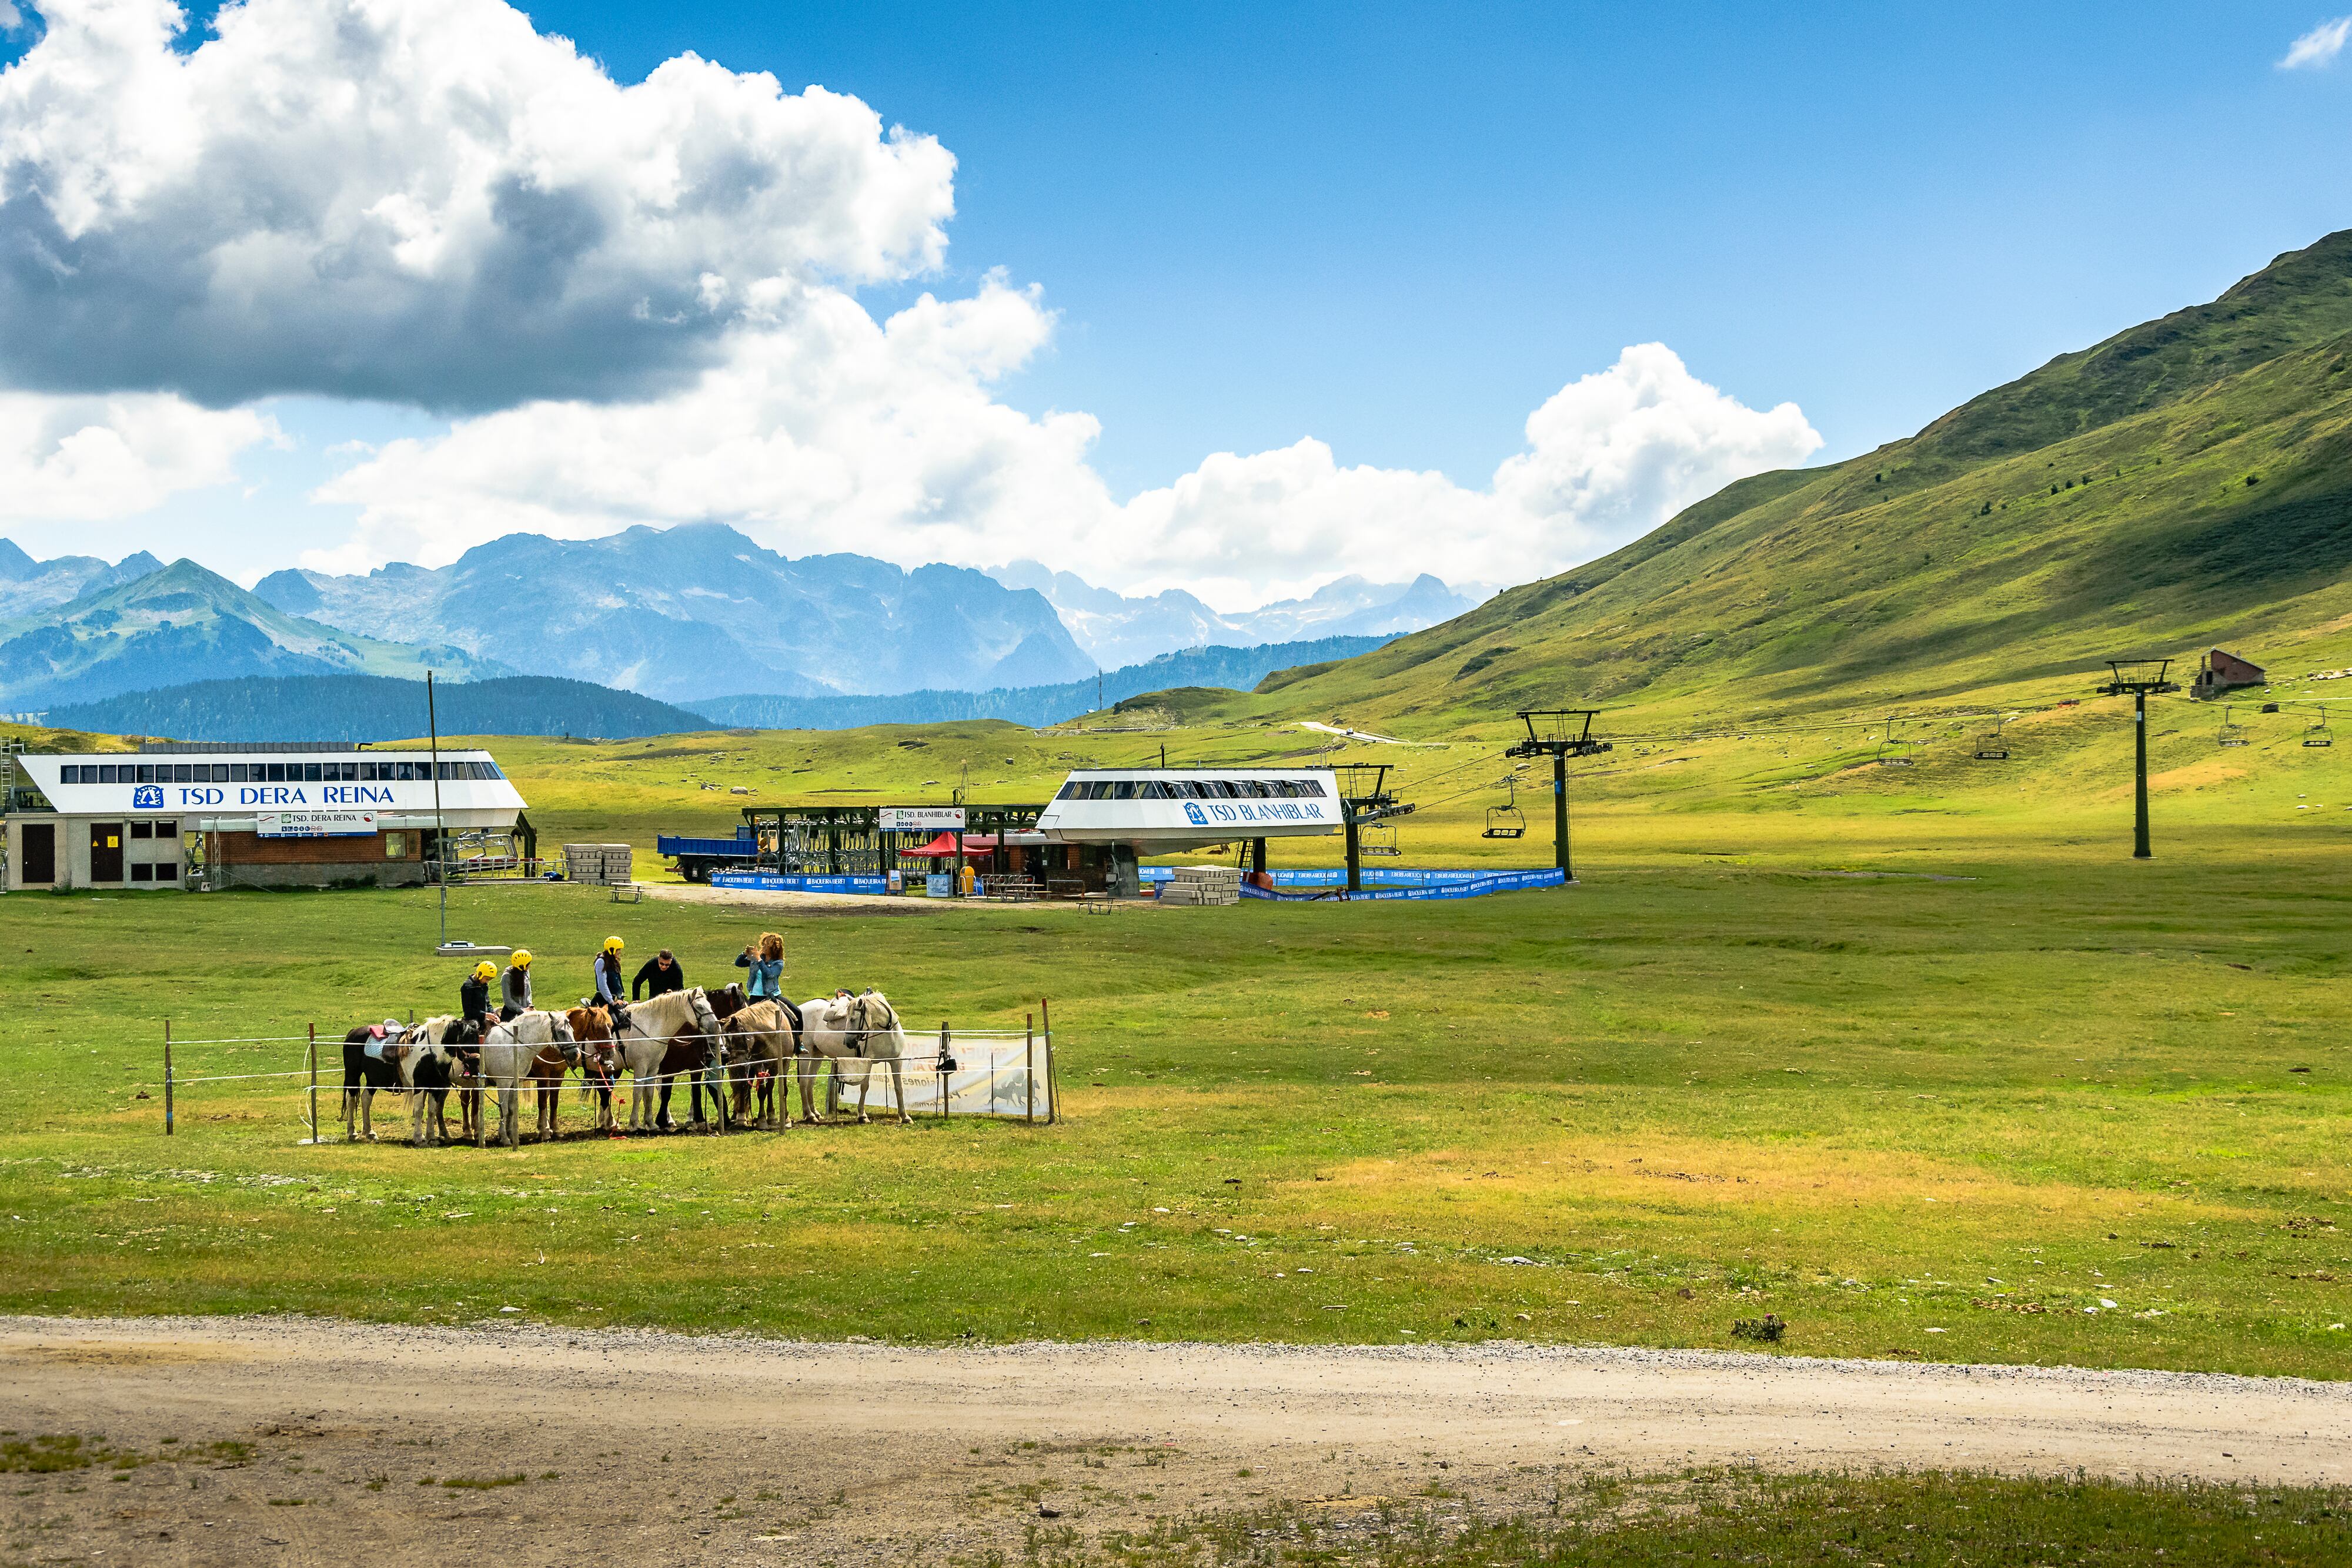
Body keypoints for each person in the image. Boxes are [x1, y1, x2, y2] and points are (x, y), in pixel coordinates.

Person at [632, 948, 691, 1127]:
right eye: (662, 964)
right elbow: (637, 981)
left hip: (668, 1007)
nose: (664, 967)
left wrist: (672, 993)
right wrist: (636, 1000)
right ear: (658, 960)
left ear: (671, 962)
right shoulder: (651, 965)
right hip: (652, 1006)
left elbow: (680, 991)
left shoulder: (677, 969)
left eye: (667, 964)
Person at [593, 937, 630, 1032]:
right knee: (613, 1021)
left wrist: (620, 998)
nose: (620, 952)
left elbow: (617, 982)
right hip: (602, 1000)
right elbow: (602, 985)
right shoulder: (601, 962)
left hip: (612, 1000)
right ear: (612, 950)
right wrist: (612, 1002)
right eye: (618, 950)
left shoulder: (613, 961)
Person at [460, 961, 495, 1034]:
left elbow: (488, 1003)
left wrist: (493, 1014)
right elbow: (468, 1011)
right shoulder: (467, 987)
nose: (487, 982)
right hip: (472, 1020)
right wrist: (485, 1014)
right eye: (487, 979)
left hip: (484, 1018)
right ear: (480, 974)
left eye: (489, 980)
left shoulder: (484, 985)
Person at [499, 949, 533, 1021]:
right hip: (511, 1014)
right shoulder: (507, 977)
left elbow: (529, 992)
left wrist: (530, 1006)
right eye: (528, 964)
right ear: (522, 966)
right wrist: (522, 1010)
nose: (529, 966)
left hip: (526, 1012)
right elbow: (508, 1000)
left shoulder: (526, 972)